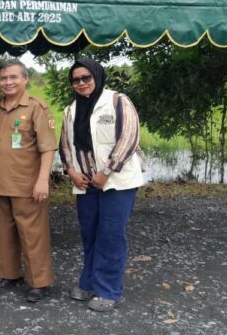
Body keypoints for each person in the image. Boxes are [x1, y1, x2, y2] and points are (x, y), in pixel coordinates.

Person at [59, 58, 145, 312]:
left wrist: (107, 171)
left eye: (86, 78)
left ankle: (109, 290)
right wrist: (71, 172)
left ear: (97, 76)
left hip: (116, 182)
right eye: (76, 80)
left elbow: (129, 137)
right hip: (85, 184)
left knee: (110, 234)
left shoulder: (118, 101)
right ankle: (89, 283)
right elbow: (65, 145)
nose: (82, 83)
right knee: (90, 234)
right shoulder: (71, 110)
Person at [0, 60, 57, 303]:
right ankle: (9, 274)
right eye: (3, 78)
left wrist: (43, 180)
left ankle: (39, 282)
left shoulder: (36, 108)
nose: (8, 82)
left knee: (32, 234)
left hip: (27, 184)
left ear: (25, 79)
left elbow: (47, 148)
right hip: (0, 182)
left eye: (13, 77)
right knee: (3, 232)